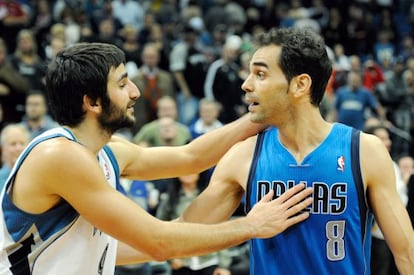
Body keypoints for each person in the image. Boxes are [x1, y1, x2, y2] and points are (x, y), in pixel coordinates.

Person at [0, 42, 313, 275]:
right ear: (93, 102)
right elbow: (158, 242)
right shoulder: (60, 156)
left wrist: (259, 116)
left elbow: (190, 156)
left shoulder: (106, 152)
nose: (135, 92)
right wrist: (252, 226)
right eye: (122, 84)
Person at [179, 27, 414, 275]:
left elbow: (407, 254)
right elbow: (183, 234)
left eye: (260, 74)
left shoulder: (363, 150)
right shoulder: (243, 156)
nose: (246, 85)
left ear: (300, 84)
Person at [156, 172, 231, 275]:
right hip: (181, 263)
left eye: (193, 169)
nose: (188, 173)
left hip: (210, 262)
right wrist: (170, 259)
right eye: (184, 170)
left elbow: (222, 230)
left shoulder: (210, 197)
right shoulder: (169, 199)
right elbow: (159, 230)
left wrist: (224, 265)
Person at [0, 123, 30, 189]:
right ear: (3, 150)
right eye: (13, 144)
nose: (18, 148)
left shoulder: (36, 177)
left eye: (22, 143)